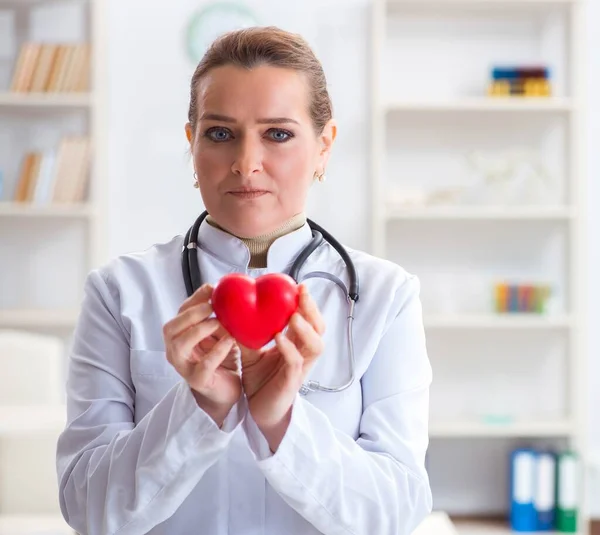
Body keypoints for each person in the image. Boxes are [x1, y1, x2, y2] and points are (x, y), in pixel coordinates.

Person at [55, 26, 433, 535]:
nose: (246, 164)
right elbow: (88, 510)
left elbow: (395, 513)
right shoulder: (119, 292)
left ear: (324, 146)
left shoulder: (386, 298)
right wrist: (198, 410)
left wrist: (282, 422)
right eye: (220, 133)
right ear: (192, 144)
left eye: (278, 134)